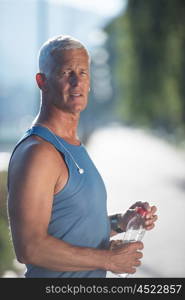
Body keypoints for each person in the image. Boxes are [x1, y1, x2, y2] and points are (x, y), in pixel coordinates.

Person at [7, 35, 157, 278]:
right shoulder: (38, 152)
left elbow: (72, 230)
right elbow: (30, 248)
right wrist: (109, 259)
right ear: (42, 81)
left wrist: (121, 222)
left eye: (83, 72)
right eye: (66, 73)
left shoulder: (73, 145)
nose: (77, 82)